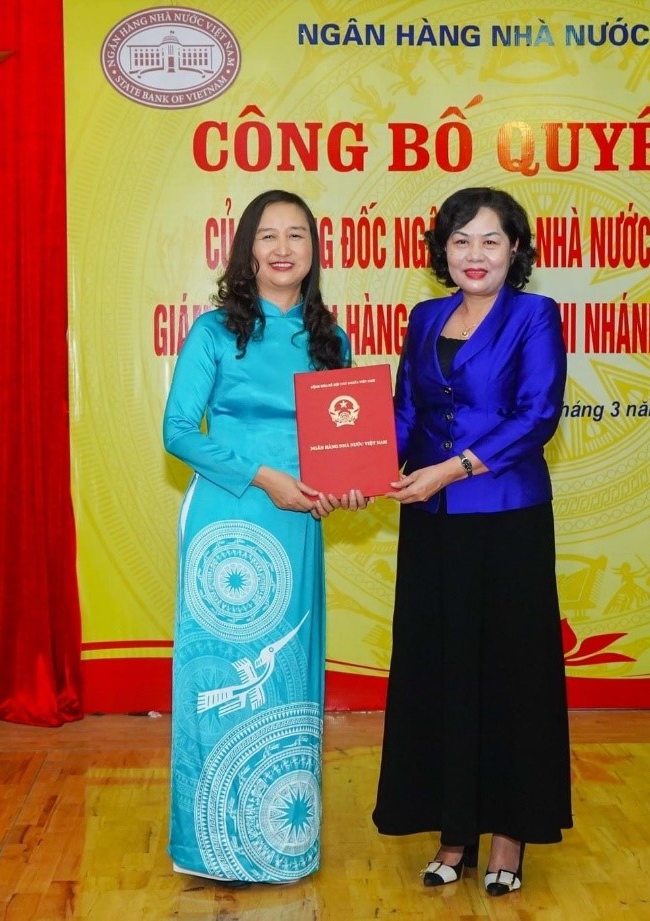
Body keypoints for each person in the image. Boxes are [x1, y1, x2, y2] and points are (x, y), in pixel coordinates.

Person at [372, 186, 572, 896]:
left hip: (507, 520)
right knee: (442, 672)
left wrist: (449, 470)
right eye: (461, 241)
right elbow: (405, 411)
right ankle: (453, 831)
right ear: (442, 251)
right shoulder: (425, 318)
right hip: (432, 524)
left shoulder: (535, 315)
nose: (475, 254)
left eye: (490, 240)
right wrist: (362, 468)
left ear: (515, 248)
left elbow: (536, 416)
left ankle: (510, 836)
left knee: (511, 675)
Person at [162, 189, 364, 886]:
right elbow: (178, 431)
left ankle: (283, 842)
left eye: (297, 235)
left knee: (286, 673)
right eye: (268, 235)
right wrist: (264, 477)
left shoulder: (332, 339)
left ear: (314, 250)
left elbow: (342, 445)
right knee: (223, 677)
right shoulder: (214, 331)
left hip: (298, 524)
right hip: (228, 522)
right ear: (247, 248)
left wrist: (345, 485)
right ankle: (210, 844)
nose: (283, 248)